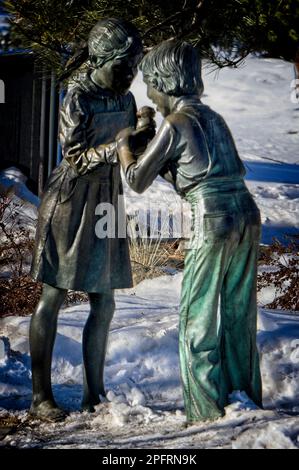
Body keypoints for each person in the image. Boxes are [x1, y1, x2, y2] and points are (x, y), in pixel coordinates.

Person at [116, 40, 263, 423]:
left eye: (149, 83)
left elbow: (135, 179)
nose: (148, 92)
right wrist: (155, 146)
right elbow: (194, 169)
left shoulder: (176, 122)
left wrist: (124, 145)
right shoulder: (212, 118)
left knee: (196, 317)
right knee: (237, 314)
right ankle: (244, 395)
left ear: (165, 82)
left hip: (212, 216)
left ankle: (204, 412)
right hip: (246, 213)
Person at [29, 18, 152, 421]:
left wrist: (144, 137)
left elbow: (129, 154)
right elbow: (77, 157)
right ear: (100, 57)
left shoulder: (125, 99)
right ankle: (40, 395)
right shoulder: (78, 95)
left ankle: (93, 393)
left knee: (105, 300)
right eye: (124, 64)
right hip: (70, 200)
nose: (131, 73)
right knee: (54, 295)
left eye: (134, 65)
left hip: (106, 200)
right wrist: (119, 144)